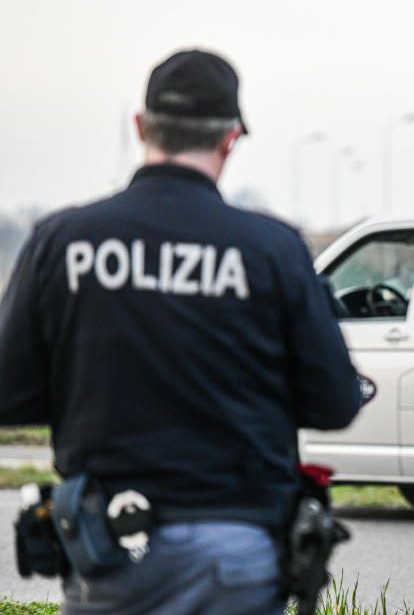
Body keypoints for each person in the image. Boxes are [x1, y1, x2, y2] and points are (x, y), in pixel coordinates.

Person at [0, 49, 362, 614]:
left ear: (141, 126)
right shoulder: (272, 249)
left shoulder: (61, 241)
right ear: (230, 138)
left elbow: (10, 392)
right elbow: (336, 401)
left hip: (109, 543)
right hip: (237, 547)